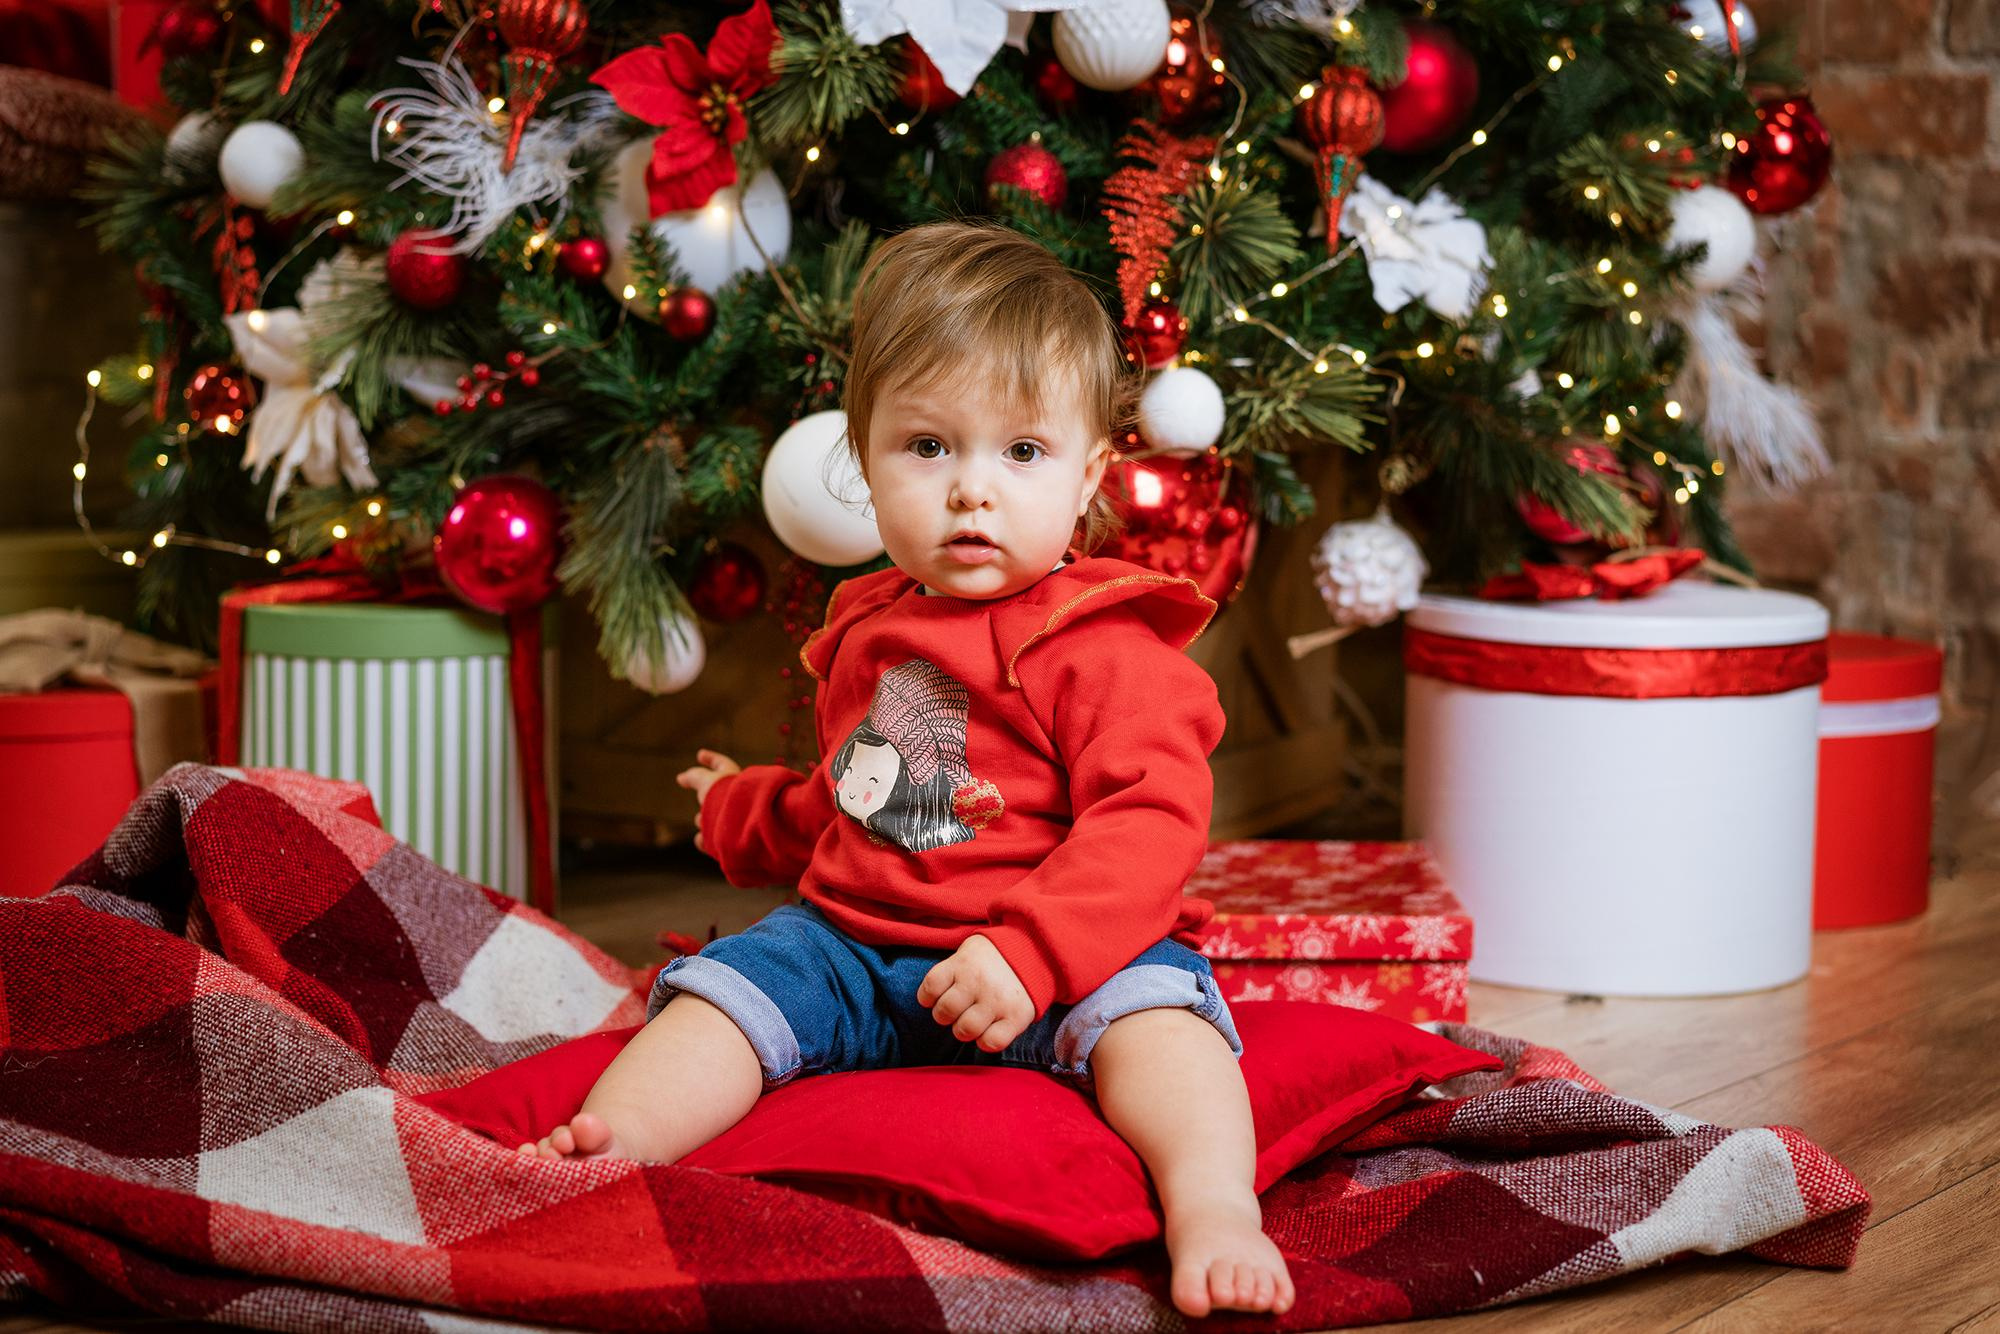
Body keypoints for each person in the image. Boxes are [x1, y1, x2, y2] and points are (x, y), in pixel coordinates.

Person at [523, 220, 1293, 1319]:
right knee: (724, 998)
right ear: (863, 457)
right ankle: (612, 1145)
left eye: (1019, 453)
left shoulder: (1101, 647)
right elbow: (866, 791)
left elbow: (1149, 822)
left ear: (1087, 478)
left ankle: (1213, 1203)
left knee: (1163, 1024)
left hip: (1050, 956)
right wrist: (747, 809)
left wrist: (1032, 950)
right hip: (859, 941)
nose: (970, 490)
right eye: (927, 446)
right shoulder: (872, 624)